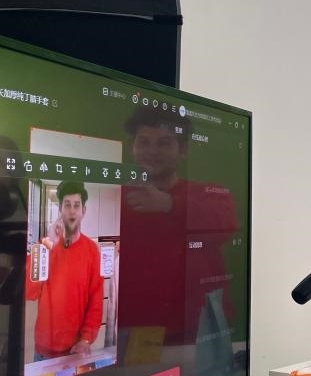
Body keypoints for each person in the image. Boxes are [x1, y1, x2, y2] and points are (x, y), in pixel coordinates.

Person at [117, 107, 236, 351]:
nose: (152, 151)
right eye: (144, 142)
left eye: (164, 143)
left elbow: (225, 226)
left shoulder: (208, 195)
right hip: (134, 327)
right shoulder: (115, 195)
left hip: (197, 327)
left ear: (182, 150)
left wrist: (169, 204)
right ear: (132, 147)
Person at [24, 180, 104, 359]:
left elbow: (96, 299)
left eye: (77, 205)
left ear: (83, 210)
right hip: (44, 349)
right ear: (60, 209)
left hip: (75, 347)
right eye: (67, 205)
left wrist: (86, 339)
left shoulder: (92, 250)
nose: (72, 211)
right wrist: (48, 245)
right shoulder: (45, 246)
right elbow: (29, 292)